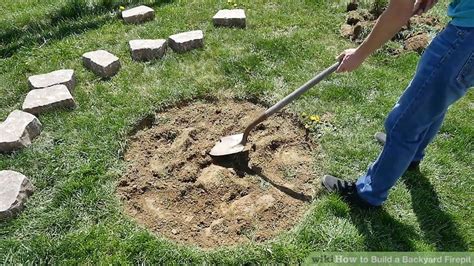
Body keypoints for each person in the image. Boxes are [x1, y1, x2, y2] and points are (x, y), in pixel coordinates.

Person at [322, 0, 474, 207]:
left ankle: (368, 194)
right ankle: (409, 156)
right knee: (434, 98)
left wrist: (359, 53)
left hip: (466, 38)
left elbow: (398, 12)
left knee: (404, 122)